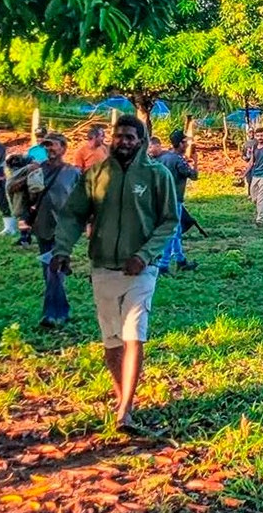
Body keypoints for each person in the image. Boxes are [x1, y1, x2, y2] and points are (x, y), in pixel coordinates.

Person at [50, 116, 178, 434]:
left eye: (130, 137)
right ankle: (124, 401)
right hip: (103, 266)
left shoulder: (157, 175)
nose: (123, 141)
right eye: (119, 136)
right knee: (112, 342)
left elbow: (169, 220)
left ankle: (125, 410)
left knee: (134, 334)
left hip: (141, 269)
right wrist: (62, 250)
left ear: (141, 141)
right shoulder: (95, 175)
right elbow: (73, 215)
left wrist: (144, 255)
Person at [30, 133, 82, 327]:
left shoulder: (73, 173)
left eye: (52, 145)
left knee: (53, 268)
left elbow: (83, 199)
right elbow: (27, 195)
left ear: (63, 148)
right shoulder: (37, 170)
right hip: (42, 225)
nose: (49, 149)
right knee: (49, 271)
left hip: (64, 229)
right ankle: (62, 310)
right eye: (46, 145)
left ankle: (51, 314)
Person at [152, 131, 199, 273]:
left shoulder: (163, 157)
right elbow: (193, 176)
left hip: (161, 199)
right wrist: (195, 161)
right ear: (179, 144)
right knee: (172, 232)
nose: (187, 145)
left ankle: (181, 260)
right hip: (174, 200)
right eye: (185, 142)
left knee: (176, 231)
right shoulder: (178, 160)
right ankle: (163, 265)